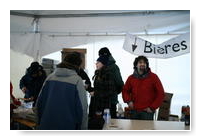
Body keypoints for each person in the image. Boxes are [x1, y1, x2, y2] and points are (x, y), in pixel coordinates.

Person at [36, 52, 88, 130]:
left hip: (46, 126)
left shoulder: (49, 78)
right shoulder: (77, 81)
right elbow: (82, 110)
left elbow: (39, 103)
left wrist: (39, 123)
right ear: (77, 66)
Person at [122, 55, 165, 120]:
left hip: (147, 112)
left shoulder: (153, 77)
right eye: (140, 62)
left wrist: (152, 107)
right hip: (134, 111)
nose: (142, 64)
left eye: (144, 63)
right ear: (136, 65)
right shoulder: (131, 78)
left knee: (146, 130)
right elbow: (125, 91)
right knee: (134, 129)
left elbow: (161, 93)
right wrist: (128, 101)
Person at [88, 55, 117, 129]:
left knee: (102, 126)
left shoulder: (108, 74)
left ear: (103, 63)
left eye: (98, 62)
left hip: (104, 107)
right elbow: (99, 89)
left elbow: (110, 91)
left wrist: (95, 93)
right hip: (96, 105)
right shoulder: (98, 73)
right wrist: (88, 88)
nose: (96, 64)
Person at [97, 47, 124, 118]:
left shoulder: (113, 67)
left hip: (109, 101)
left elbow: (120, 83)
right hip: (106, 100)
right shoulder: (104, 67)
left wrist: (114, 92)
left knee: (109, 122)